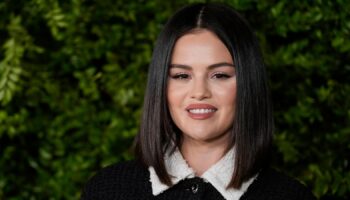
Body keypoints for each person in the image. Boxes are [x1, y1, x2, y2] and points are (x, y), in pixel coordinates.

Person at [81, 3, 316, 200]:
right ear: (161, 86)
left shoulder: (291, 196)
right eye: (182, 76)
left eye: (220, 75)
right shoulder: (107, 190)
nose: (199, 92)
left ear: (248, 83)